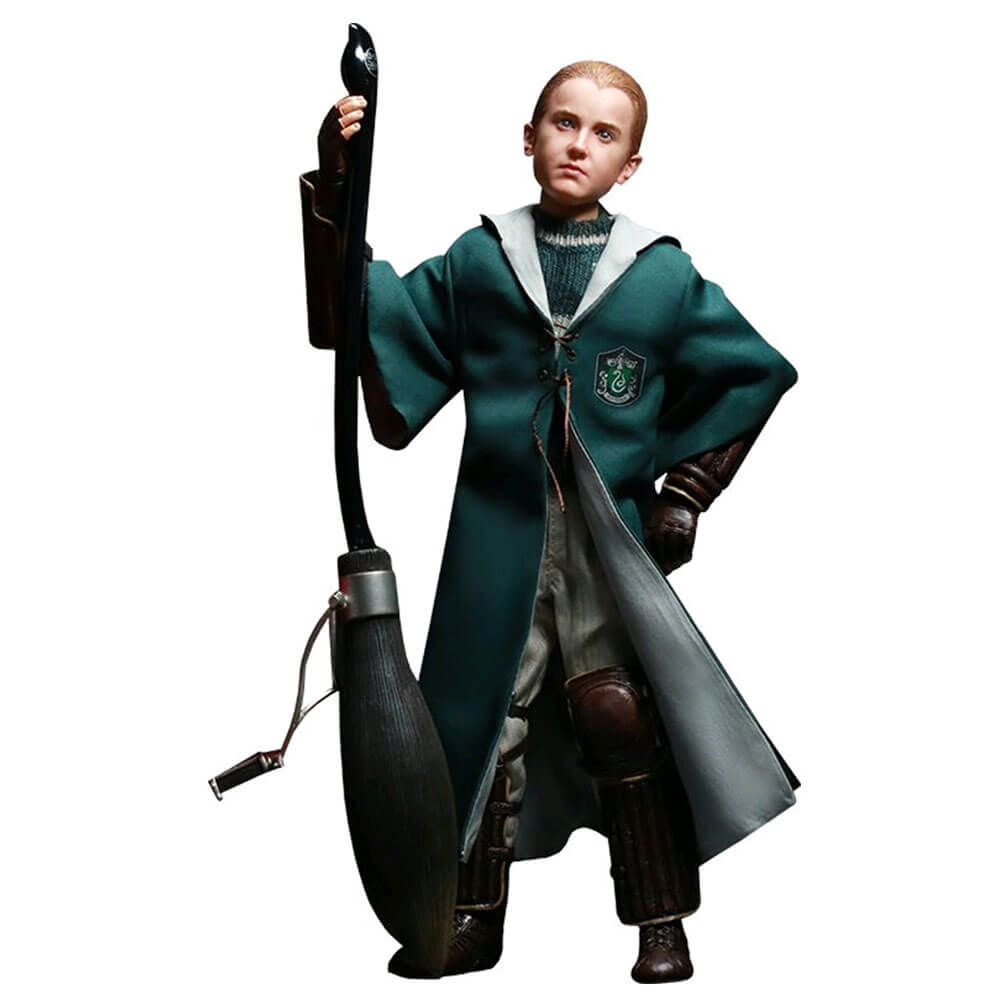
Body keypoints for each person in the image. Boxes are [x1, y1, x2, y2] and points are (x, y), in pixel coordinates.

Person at [300, 60, 799, 984]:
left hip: (606, 540)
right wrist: (336, 192)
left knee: (618, 713)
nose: (579, 145)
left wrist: (686, 489)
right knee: (483, 719)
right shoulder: (481, 260)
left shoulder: (659, 275)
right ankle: (471, 917)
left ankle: (660, 920)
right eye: (563, 123)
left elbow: (751, 371)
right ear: (529, 138)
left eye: (604, 134)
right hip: (499, 538)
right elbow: (374, 322)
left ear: (630, 165)